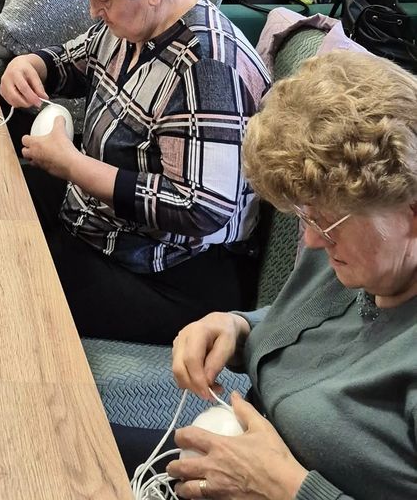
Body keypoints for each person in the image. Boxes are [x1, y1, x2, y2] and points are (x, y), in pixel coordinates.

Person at [0, 0, 270, 344]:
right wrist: (33, 63)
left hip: (170, 274)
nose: (92, 11)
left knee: (12, 280)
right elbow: (81, 59)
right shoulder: (133, 22)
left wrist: (71, 165)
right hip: (108, 228)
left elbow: (200, 207)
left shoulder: (206, 68)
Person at [166, 51, 417, 499]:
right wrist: (238, 326)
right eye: (306, 217)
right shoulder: (361, 259)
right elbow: (323, 327)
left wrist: (287, 487)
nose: (314, 242)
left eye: (328, 222)